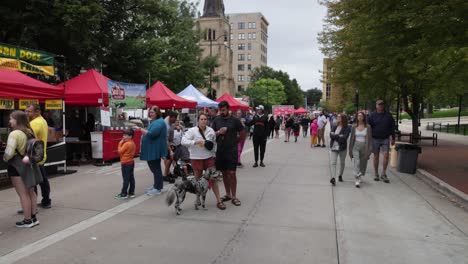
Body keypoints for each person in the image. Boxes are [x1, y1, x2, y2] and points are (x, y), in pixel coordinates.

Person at [4, 111, 42, 227]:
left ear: (17, 120)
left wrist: (5, 159)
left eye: (11, 119)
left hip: (17, 166)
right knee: (31, 192)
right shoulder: (29, 131)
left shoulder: (14, 134)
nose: (9, 121)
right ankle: (34, 218)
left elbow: (9, 153)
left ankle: (27, 220)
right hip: (29, 164)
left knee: (23, 194)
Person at [182, 114, 225, 210]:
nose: (204, 121)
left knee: (213, 180)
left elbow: (214, 145)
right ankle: (197, 199)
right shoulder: (192, 130)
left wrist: (214, 156)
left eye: (205, 119)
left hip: (208, 157)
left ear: (208, 120)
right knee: (198, 180)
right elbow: (183, 141)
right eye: (201, 119)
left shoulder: (211, 131)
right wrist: (194, 142)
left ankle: (219, 200)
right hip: (196, 158)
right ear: (198, 120)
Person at [211, 100, 243, 207]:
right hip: (220, 150)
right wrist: (219, 132)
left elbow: (243, 133)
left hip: (232, 150)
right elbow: (211, 134)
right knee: (224, 173)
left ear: (228, 109)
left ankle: (234, 196)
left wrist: (237, 142)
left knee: (232, 173)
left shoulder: (235, 120)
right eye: (220, 110)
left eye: (223, 110)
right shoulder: (216, 120)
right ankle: (228, 194)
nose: (221, 112)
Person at [137, 106, 168, 196]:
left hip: (154, 149)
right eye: (150, 112)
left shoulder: (159, 122)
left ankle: (158, 188)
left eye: (153, 112)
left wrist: (140, 129)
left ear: (157, 113)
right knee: (154, 169)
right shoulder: (156, 121)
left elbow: (152, 134)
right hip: (152, 149)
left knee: (156, 169)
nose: (151, 114)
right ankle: (156, 185)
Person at [25, 103, 51, 209]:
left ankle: (32, 205)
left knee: (33, 182)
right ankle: (46, 201)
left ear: (37, 112)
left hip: (33, 156)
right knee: (42, 180)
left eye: (29, 111)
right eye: (26, 111)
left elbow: (26, 138)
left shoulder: (35, 123)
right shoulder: (43, 120)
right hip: (40, 155)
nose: (26, 113)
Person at [368, 99, 396, 183]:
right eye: (379, 104)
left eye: (382, 104)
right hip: (375, 138)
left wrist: (393, 137)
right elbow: (369, 127)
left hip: (385, 138)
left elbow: (392, 127)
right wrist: (369, 139)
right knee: (376, 156)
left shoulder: (388, 115)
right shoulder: (372, 116)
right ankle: (376, 173)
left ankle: (383, 173)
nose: (381, 106)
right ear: (376, 106)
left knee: (386, 155)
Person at [349, 112, 373, 188]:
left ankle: (359, 175)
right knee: (357, 162)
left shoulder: (368, 127)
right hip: (355, 146)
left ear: (363, 117)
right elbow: (351, 139)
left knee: (363, 164)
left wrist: (369, 150)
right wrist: (350, 149)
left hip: (364, 147)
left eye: (361, 116)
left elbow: (370, 139)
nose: (359, 117)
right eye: (358, 116)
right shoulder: (354, 126)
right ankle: (357, 179)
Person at [329, 114, 351, 186]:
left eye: (339, 117)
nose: (337, 118)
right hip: (334, 147)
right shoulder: (335, 126)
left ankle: (340, 175)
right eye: (337, 117)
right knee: (333, 163)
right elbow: (330, 135)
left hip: (342, 148)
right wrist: (339, 136)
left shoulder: (347, 128)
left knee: (342, 162)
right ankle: (333, 178)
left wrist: (335, 136)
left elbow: (344, 138)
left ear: (343, 118)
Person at [115, 128, 136, 199]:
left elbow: (120, 151)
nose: (123, 136)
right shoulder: (132, 143)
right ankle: (131, 192)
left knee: (125, 179)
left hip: (125, 163)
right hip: (131, 162)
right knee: (131, 178)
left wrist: (120, 143)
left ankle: (123, 193)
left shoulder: (127, 144)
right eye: (123, 135)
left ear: (130, 136)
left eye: (125, 135)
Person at [163, 111, 177, 182]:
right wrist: (170, 150)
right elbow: (166, 139)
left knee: (168, 158)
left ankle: (167, 173)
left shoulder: (171, 121)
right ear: (170, 117)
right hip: (165, 142)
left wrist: (177, 126)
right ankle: (165, 175)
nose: (174, 121)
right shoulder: (166, 125)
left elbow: (174, 125)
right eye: (174, 120)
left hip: (170, 141)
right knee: (169, 158)